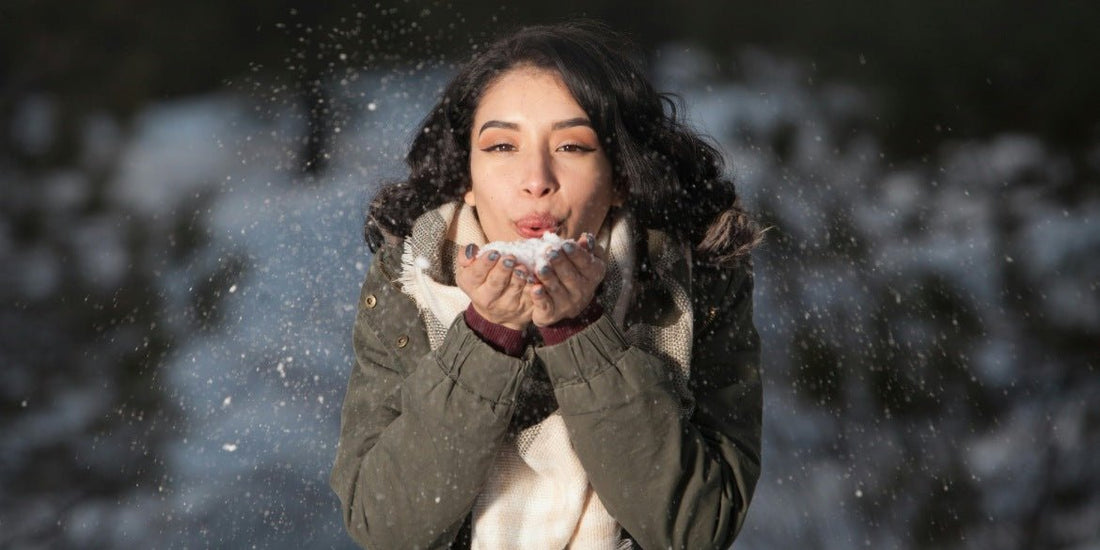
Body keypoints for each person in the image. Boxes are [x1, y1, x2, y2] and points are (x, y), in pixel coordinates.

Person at [330, 21, 763, 550]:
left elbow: (695, 529)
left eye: (572, 147)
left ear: (621, 176)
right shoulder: (410, 278)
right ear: (466, 174)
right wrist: (487, 336)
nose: (536, 178)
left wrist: (580, 332)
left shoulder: (694, 281)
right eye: (502, 146)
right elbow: (387, 526)